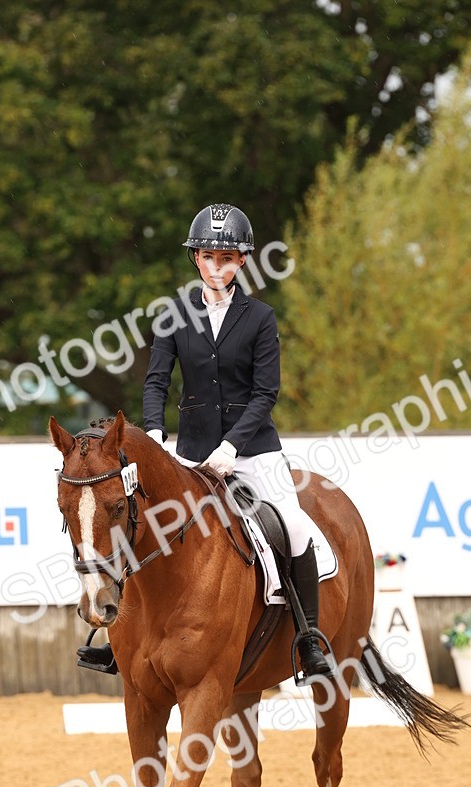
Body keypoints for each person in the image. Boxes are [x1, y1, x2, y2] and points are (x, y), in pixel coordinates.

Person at [141, 202, 334, 678]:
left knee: (294, 526)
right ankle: (124, 640)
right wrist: (152, 437)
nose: (216, 266)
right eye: (208, 256)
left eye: (226, 257)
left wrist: (231, 448)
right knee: (140, 527)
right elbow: (156, 383)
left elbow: (266, 392)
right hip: (188, 454)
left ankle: (309, 639)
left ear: (242, 261)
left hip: (253, 451)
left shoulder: (260, 317)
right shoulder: (173, 314)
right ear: (195, 258)